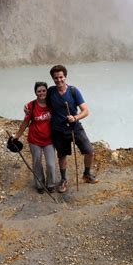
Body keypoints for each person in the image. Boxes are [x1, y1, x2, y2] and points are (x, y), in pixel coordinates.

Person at [45, 64, 97, 193]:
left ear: (65, 77)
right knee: (62, 155)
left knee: (89, 151)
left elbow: (85, 111)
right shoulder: (51, 91)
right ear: (53, 78)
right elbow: (40, 102)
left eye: (61, 77)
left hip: (75, 127)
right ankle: (63, 179)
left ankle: (86, 173)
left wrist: (75, 118)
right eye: (56, 78)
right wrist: (28, 107)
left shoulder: (73, 91)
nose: (59, 80)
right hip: (58, 129)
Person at [14, 82, 56, 194]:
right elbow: (25, 122)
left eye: (44, 90)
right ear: (35, 93)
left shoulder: (52, 103)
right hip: (35, 139)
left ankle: (51, 184)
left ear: (47, 91)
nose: (41, 93)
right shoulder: (31, 106)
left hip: (49, 140)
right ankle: (40, 184)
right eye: (39, 91)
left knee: (51, 164)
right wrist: (17, 136)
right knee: (37, 163)